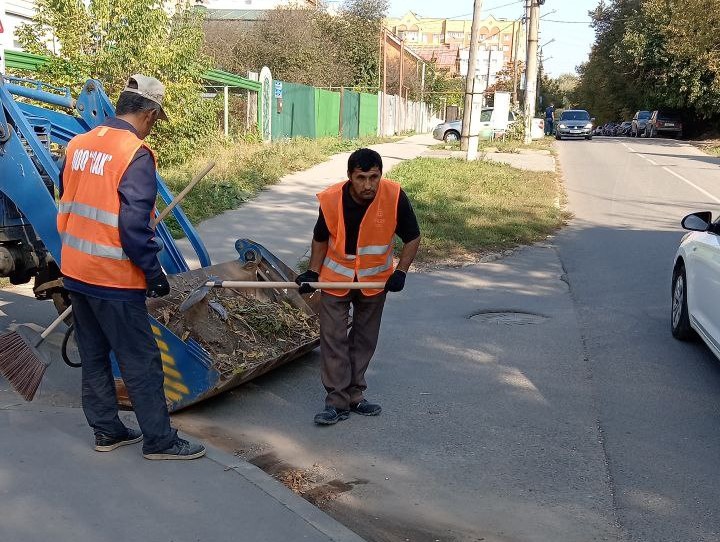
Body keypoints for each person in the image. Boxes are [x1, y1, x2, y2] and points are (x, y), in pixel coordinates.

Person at [57, 74, 205, 460]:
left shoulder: (77, 144)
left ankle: (107, 431)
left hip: (75, 269)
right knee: (140, 360)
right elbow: (133, 227)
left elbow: (71, 201)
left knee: (93, 355)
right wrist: (154, 275)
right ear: (152, 113)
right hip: (113, 279)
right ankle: (160, 440)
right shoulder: (135, 153)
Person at [295, 148, 421, 425]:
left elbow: (412, 237)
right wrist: (312, 273)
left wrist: (401, 272)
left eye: (374, 177)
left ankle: (355, 395)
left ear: (380, 175)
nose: (368, 185)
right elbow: (320, 237)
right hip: (336, 279)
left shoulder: (394, 196)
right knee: (333, 338)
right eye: (361, 177)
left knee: (364, 339)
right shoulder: (331, 199)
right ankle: (336, 401)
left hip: (374, 281)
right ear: (350, 176)